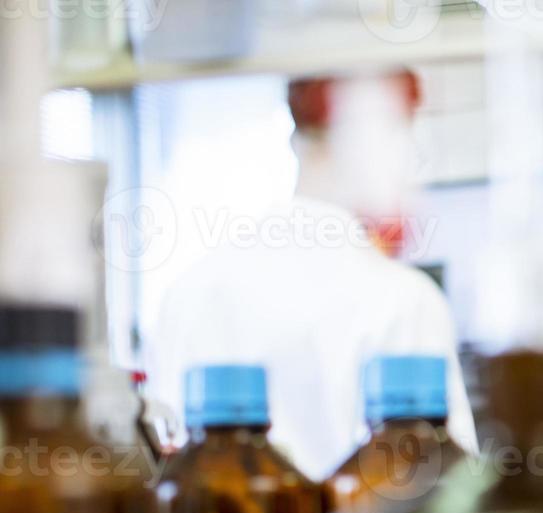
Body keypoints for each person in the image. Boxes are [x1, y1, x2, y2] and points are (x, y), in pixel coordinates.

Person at [145, 69, 475, 482]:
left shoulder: (189, 287)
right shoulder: (405, 299)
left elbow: (170, 468)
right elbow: (449, 495)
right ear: (371, 140)